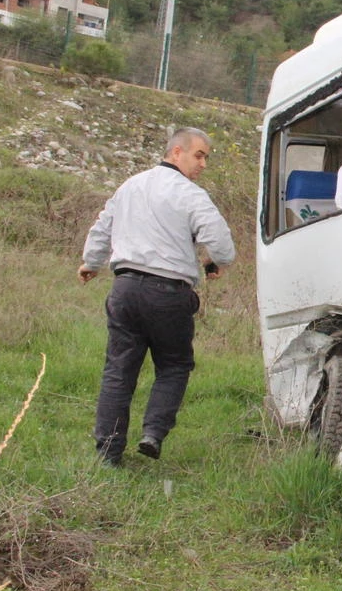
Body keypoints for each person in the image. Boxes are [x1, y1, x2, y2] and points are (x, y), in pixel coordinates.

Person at [78, 127, 236, 467]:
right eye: (199, 155)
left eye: (206, 157)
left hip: (125, 289)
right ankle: (153, 433)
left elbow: (102, 226)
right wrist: (215, 262)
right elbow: (222, 244)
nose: (203, 164)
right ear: (176, 152)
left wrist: (91, 263)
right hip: (169, 294)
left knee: (119, 371)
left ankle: (108, 453)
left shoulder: (129, 186)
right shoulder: (191, 195)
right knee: (175, 365)